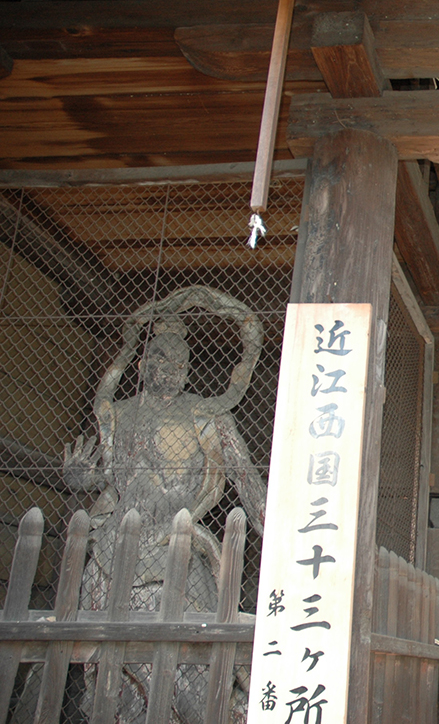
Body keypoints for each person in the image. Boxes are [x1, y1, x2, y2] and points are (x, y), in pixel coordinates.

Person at [61, 285, 268, 722]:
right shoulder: (119, 412)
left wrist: (280, 532)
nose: (168, 371)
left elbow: (246, 483)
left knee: (187, 664)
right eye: (158, 361)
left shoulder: (206, 415)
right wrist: (81, 478)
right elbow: (112, 478)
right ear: (140, 364)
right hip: (111, 549)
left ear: (188, 369)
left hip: (174, 549)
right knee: (107, 670)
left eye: (178, 364)